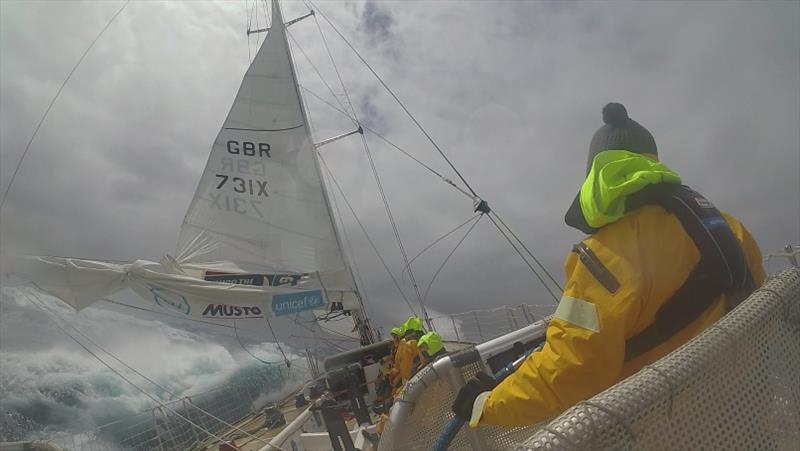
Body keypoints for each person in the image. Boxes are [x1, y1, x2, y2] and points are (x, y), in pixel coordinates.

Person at [452, 102, 765, 428]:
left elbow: (570, 372)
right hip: (747, 411)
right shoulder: (731, 228)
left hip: (673, 428)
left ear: (596, 173)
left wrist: (487, 404)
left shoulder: (604, 258)